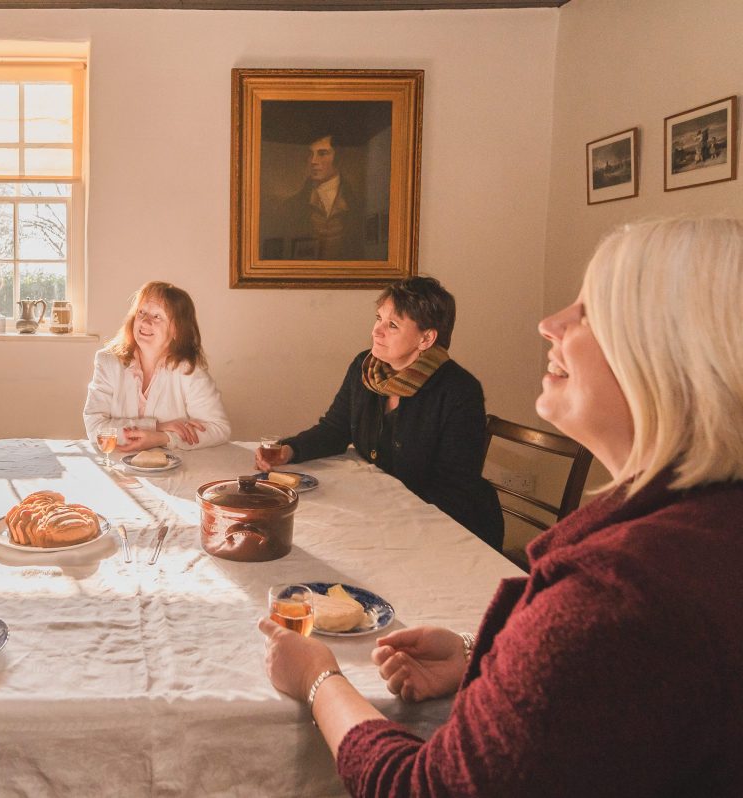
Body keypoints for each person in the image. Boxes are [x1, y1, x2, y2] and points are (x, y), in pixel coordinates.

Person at [259, 217, 743, 796]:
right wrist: (476, 654)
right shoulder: (703, 526)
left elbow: (427, 787)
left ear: (674, 357)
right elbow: (604, 689)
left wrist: (319, 679)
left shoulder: (616, 590)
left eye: (592, 310)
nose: (549, 323)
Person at [256, 276, 503, 548]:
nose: (376, 331)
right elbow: (335, 429)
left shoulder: (459, 390)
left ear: (426, 338)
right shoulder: (365, 366)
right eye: (378, 318)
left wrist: (381, 509)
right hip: (388, 516)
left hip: (450, 530)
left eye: (393, 325)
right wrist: (289, 450)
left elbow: (452, 488)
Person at [83, 281, 230, 452]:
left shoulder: (189, 371)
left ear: (177, 330)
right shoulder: (107, 361)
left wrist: (163, 438)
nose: (145, 322)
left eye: (157, 316)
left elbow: (219, 428)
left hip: (174, 472)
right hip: (117, 466)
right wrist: (157, 427)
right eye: (141, 313)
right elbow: (94, 426)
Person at [260, 131, 367, 261]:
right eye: (311, 154)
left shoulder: (360, 204)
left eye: (322, 153)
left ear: (338, 157)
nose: (313, 161)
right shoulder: (290, 206)